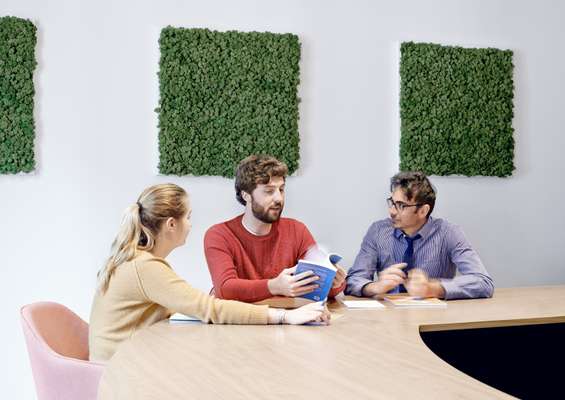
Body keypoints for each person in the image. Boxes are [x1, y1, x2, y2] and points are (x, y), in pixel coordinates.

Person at [89, 183, 329, 362]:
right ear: (171, 224)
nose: (191, 224)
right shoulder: (144, 267)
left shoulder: (137, 260)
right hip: (121, 373)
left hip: (125, 361)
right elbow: (209, 309)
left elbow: (191, 306)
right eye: (188, 217)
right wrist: (284, 316)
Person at [204, 155, 346, 303]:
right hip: (241, 323)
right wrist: (274, 287)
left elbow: (315, 289)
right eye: (269, 191)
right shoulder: (219, 235)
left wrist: (334, 284)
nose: (279, 198)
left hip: (291, 320)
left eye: (281, 189)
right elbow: (225, 288)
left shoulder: (297, 230)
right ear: (246, 195)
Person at [345, 171, 494, 300]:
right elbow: (353, 281)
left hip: (435, 321)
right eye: (392, 202)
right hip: (388, 321)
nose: (392, 211)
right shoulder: (377, 231)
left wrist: (433, 288)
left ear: (423, 211)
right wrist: (375, 287)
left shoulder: (449, 233)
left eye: (401, 205)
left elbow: (483, 282)